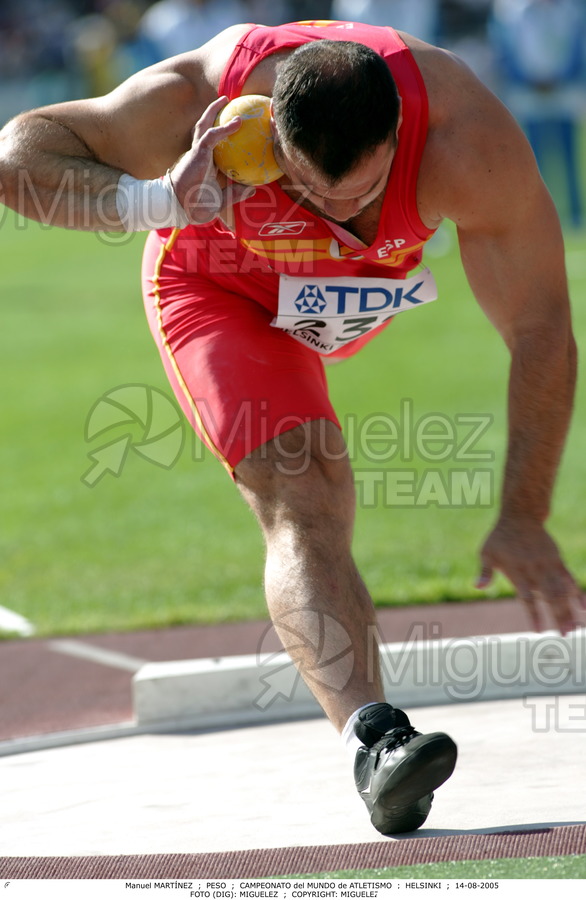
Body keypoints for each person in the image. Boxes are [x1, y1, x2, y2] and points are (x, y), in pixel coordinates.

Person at [0, 18, 583, 837]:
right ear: (268, 130)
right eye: (310, 188)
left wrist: (523, 514)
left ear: (398, 137)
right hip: (217, 289)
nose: (339, 212)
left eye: (365, 191)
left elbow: (543, 331)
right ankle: (377, 744)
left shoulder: (465, 142)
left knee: (318, 474)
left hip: (339, 305)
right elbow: (17, 156)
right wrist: (156, 200)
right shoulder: (203, 100)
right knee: (304, 488)